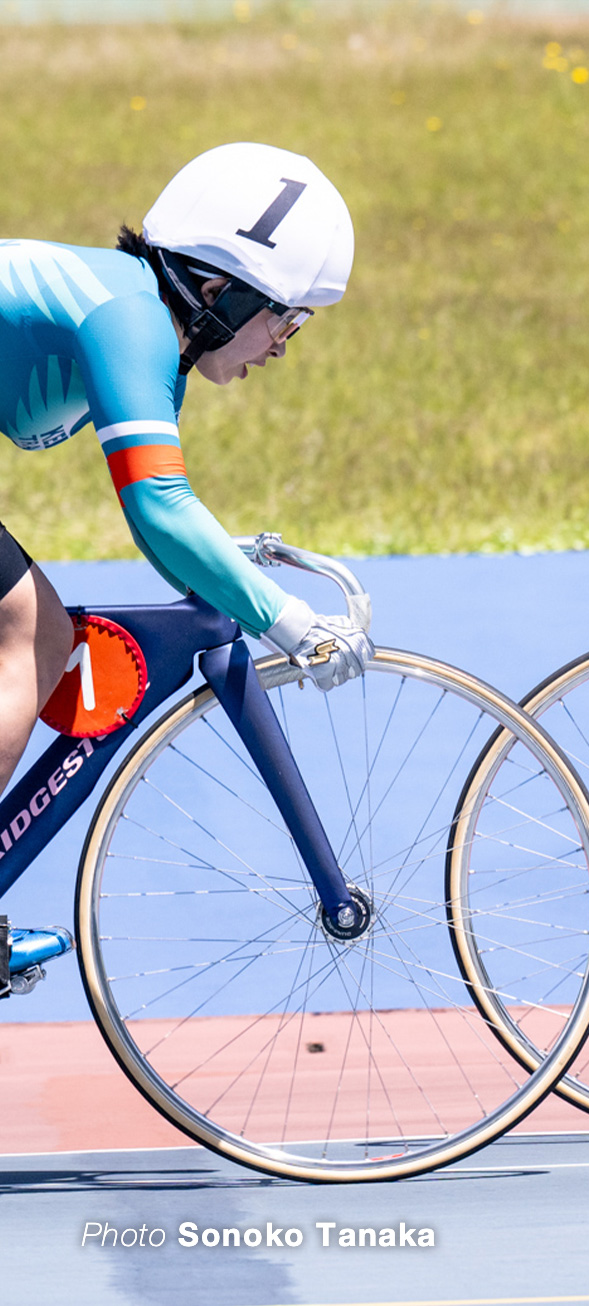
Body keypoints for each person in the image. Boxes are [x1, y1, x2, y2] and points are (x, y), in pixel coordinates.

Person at [0, 142, 372, 990]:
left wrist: (220, 565)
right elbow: (159, 512)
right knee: (26, 629)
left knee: (39, 630)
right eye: (285, 314)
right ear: (217, 292)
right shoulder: (130, 319)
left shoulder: (141, 318)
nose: (285, 342)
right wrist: (290, 619)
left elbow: (166, 507)